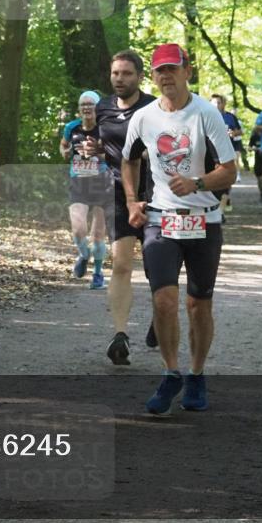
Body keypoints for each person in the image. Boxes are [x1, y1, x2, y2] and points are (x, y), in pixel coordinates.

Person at [121, 43, 236, 416]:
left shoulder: (206, 114)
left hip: (204, 221)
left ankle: (196, 374)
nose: (166, 76)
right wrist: (131, 201)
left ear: (188, 71)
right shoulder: (144, 117)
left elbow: (230, 171)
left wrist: (198, 183)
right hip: (161, 220)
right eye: (159, 71)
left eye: (173, 69)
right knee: (164, 301)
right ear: (151, 77)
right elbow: (128, 161)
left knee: (198, 305)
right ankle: (171, 373)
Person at [94, 50, 155, 364]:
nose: (120, 79)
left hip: (157, 195)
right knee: (120, 265)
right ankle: (120, 334)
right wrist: (96, 147)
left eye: (127, 73)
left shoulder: (154, 107)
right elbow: (106, 143)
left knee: (157, 264)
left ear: (140, 77)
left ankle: (162, 314)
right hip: (117, 193)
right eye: (116, 73)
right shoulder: (103, 107)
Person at [60, 90, 113, 290]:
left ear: (98, 108)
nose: (87, 108)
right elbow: (64, 145)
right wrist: (65, 152)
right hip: (79, 185)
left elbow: (115, 156)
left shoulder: (106, 129)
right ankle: (83, 254)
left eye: (91, 104)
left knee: (98, 235)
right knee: (78, 229)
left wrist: (97, 154)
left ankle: (98, 274)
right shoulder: (71, 127)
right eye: (83, 105)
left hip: (102, 185)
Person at [210, 93, 244, 195]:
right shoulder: (207, 116)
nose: (216, 105)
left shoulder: (230, 117)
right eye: (213, 103)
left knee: (225, 174)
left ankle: (226, 195)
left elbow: (240, 131)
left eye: (218, 103)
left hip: (227, 149)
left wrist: (233, 133)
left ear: (223, 104)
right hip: (211, 150)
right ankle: (216, 197)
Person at [248, 129, 262, 202]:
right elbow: (249, 148)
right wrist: (254, 148)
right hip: (258, 159)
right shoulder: (254, 137)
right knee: (259, 177)